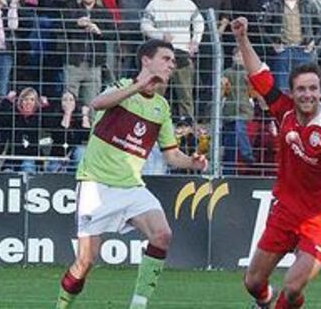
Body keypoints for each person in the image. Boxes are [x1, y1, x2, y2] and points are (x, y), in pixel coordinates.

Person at [55, 39, 208, 309]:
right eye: (166, 59)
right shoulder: (122, 87)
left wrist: (192, 163)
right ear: (146, 61)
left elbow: (171, 155)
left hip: (131, 186)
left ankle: (138, 304)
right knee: (85, 262)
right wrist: (138, 86)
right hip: (96, 184)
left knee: (162, 235)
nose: (171, 65)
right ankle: (62, 305)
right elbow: (97, 104)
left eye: (173, 61)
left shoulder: (161, 107)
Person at [231, 16, 321, 309]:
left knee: (291, 289)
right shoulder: (285, 111)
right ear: (292, 92)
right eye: (302, 89)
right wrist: (242, 38)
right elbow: (260, 78)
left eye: (313, 89)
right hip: (287, 209)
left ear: (320, 91)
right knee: (253, 283)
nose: (308, 95)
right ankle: (262, 303)